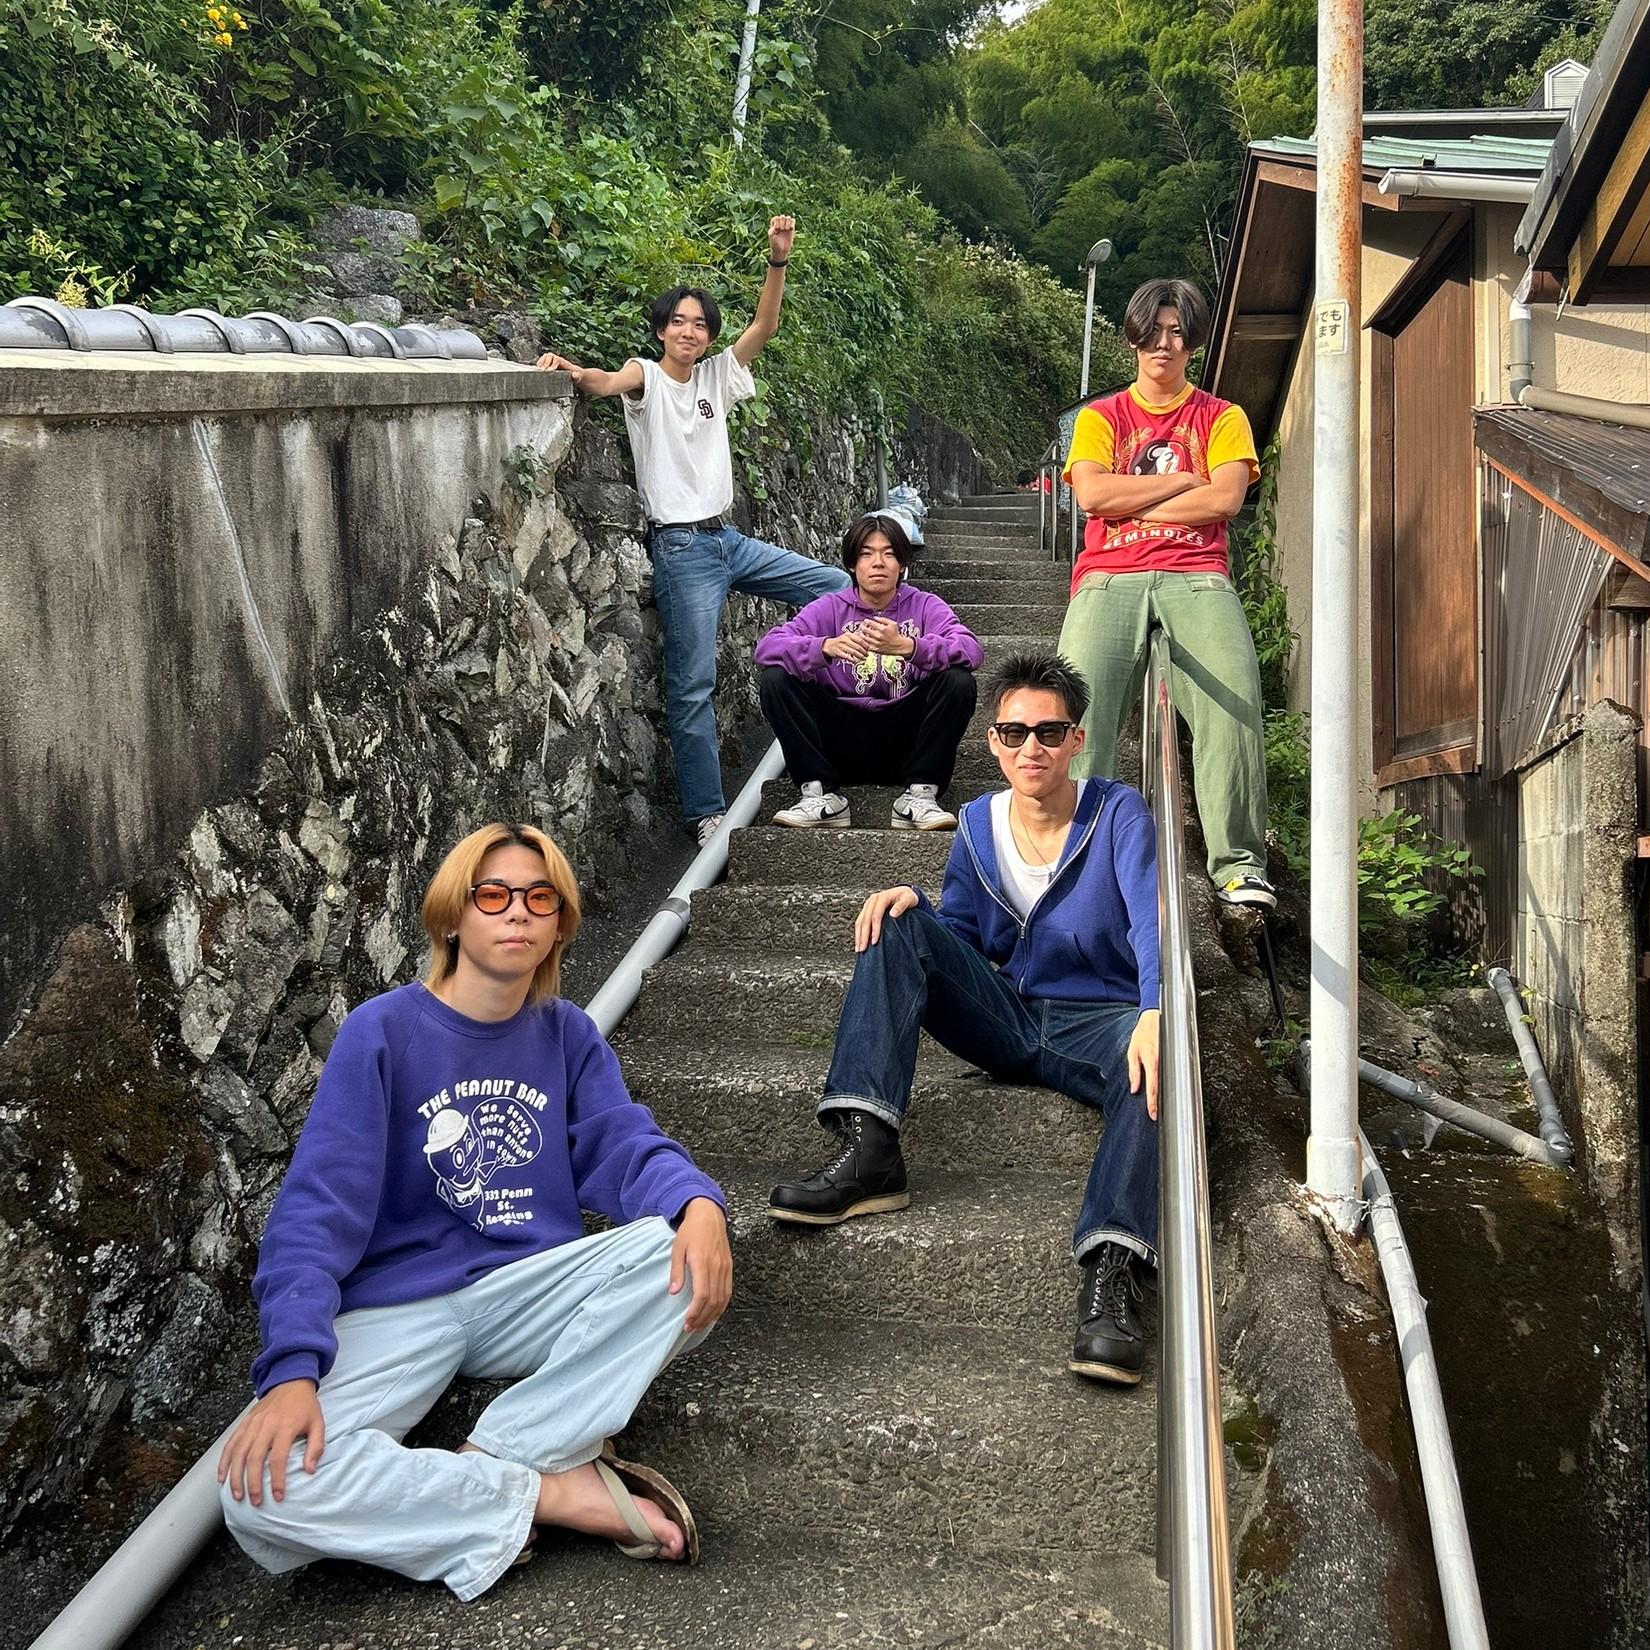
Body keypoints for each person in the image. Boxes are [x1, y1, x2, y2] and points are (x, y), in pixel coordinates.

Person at [217, 823, 733, 1599]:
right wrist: (292, 1366)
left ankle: (503, 1453)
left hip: (525, 1292)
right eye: (493, 895)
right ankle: (539, 1490)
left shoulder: (567, 1035)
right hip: (395, 1306)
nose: (518, 911)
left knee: (683, 1253)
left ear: (559, 924)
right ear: (453, 916)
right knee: (260, 1491)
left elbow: (624, 1143)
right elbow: (316, 1209)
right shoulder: (381, 1033)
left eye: (539, 898)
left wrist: (697, 1204)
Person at [767, 653, 1163, 1385]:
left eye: (1050, 732)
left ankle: (1114, 1271)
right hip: (1007, 1016)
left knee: (1158, 1068)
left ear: (1078, 740)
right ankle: (868, 1148)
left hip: (1099, 1022)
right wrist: (917, 907)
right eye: (1015, 733)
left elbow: (1151, 923)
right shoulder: (978, 822)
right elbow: (963, 937)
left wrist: (1155, 1009)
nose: (1031, 748)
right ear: (994, 742)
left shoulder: (1118, 813)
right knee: (896, 918)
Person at [536, 216, 850, 849]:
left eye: (700, 324)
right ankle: (706, 813)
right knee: (692, 686)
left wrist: (778, 261)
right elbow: (606, 382)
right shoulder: (647, 375)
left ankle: (804, 676)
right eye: (678, 322)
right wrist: (570, 370)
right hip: (681, 548)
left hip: (728, 540)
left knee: (838, 586)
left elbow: (763, 327)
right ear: (661, 330)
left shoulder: (715, 377)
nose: (689, 331)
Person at [1055, 276, 1274, 910]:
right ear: (1133, 338)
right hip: (1108, 574)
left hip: (1197, 574)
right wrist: (1183, 482)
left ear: (1193, 342)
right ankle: (1078, 856)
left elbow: (1225, 500)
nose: (1164, 343)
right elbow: (1092, 495)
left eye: (1177, 332)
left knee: (1233, 701)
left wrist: (1131, 500)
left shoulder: (1222, 417)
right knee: (1076, 708)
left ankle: (1238, 864)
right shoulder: (1101, 417)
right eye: (1153, 331)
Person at [754, 511, 982, 831]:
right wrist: (824, 648)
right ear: (852, 564)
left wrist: (909, 647)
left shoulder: (925, 605)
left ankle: (921, 794)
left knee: (958, 681)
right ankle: (818, 795)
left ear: (902, 564)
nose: (878, 563)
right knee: (776, 678)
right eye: (867, 554)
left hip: (905, 743)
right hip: (840, 743)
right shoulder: (829, 608)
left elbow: (971, 649)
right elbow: (767, 648)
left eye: (889, 554)